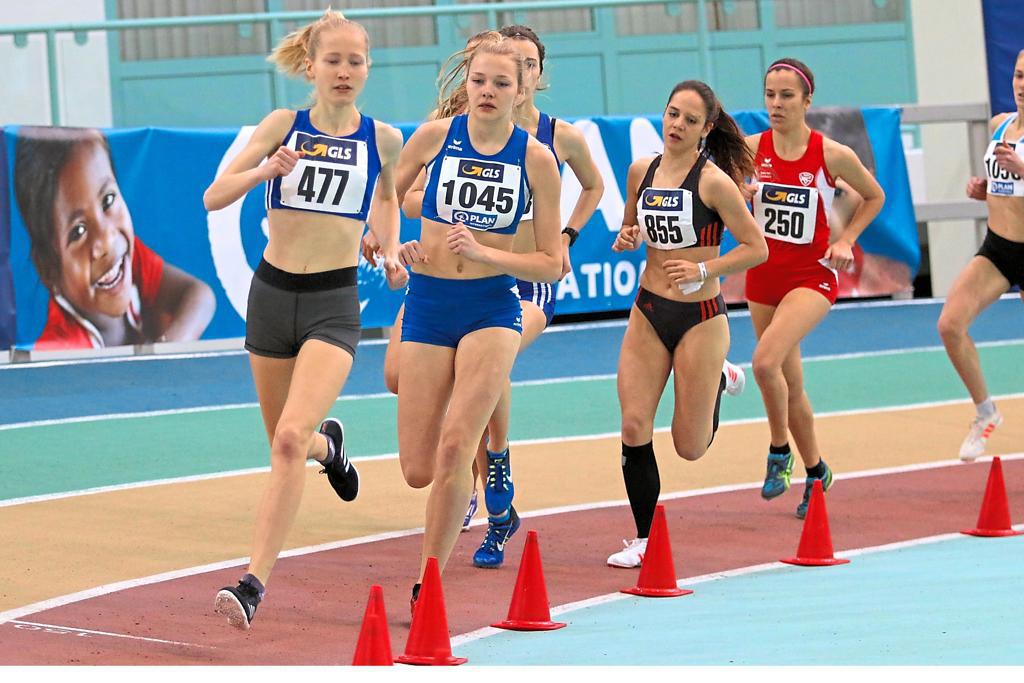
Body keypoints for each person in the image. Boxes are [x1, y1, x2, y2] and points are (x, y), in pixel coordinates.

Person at [202, 9, 406, 630]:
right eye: (334, 60)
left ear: (368, 68)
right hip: (271, 296)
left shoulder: (383, 139)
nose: (345, 71)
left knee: (288, 441)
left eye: (356, 60)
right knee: (286, 442)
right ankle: (332, 449)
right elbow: (214, 195)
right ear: (311, 66)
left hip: (333, 303)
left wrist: (389, 246)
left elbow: (389, 198)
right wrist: (266, 170)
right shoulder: (281, 125)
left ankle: (252, 584)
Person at [392, 35, 562, 609]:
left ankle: (428, 583)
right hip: (429, 302)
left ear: (524, 90)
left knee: (456, 445)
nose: (488, 92)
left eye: (502, 83)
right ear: (466, 83)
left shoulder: (536, 158)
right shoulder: (437, 137)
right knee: (418, 467)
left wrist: (490, 253)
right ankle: (460, 477)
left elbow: (551, 262)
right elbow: (386, 198)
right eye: (480, 81)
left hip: (492, 307)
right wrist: (395, 247)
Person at [606, 80, 768, 568]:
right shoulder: (642, 170)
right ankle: (644, 537)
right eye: (672, 113)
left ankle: (720, 376)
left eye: (689, 120)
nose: (676, 125)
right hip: (650, 310)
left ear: (706, 128)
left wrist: (704, 269)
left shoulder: (714, 182)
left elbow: (755, 247)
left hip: (700, 317)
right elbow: (633, 228)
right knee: (634, 423)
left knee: (689, 446)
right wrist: (628, 236)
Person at [464, 23, 604, 568]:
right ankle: (477, 481)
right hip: (473, 276)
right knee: (465, 378)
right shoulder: (468, 131)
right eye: (507, 62)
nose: (516, 73)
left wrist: (567, 235)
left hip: (529, 282)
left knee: (488, 364)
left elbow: (594, 184)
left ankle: (494, 476)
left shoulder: (557, 137)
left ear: (536, 77)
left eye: (526, 64)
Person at [744, 58, 884, 518]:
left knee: (765, 362)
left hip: (812, 275)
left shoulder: (831, 154)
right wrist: (739, 195)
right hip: (764, 273)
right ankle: (817, 471)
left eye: (786, 96)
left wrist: (847, 238)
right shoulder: (749, 150)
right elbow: (716, 190)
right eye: (770, 95)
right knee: (793, 385)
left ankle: (778, 450)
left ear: (807, 100)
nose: (776, 104)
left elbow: (874, 195)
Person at [13, 127, 215, 350]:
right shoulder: (60, 349)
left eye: (108, 200)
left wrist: (164, 353)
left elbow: (200, 296)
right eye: (78, 231)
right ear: (48, 268)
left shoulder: (126, 258)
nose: (106, 239)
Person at [938, 48, 1024, 461]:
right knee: (950, 325)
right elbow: (1002, 189)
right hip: (999, 249)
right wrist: (981, 191)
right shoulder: (1000, 125)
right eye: (1020, 77)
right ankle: (986, 412)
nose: (1023, 86)